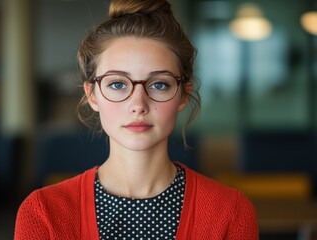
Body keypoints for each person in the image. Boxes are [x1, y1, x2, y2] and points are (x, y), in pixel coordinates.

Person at [14, 0, 259, 239]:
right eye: (118, 84)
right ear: (92, 95)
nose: (138, 105)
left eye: (159, 84)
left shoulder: (230, 212)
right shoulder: (43, 213)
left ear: (183, 94)